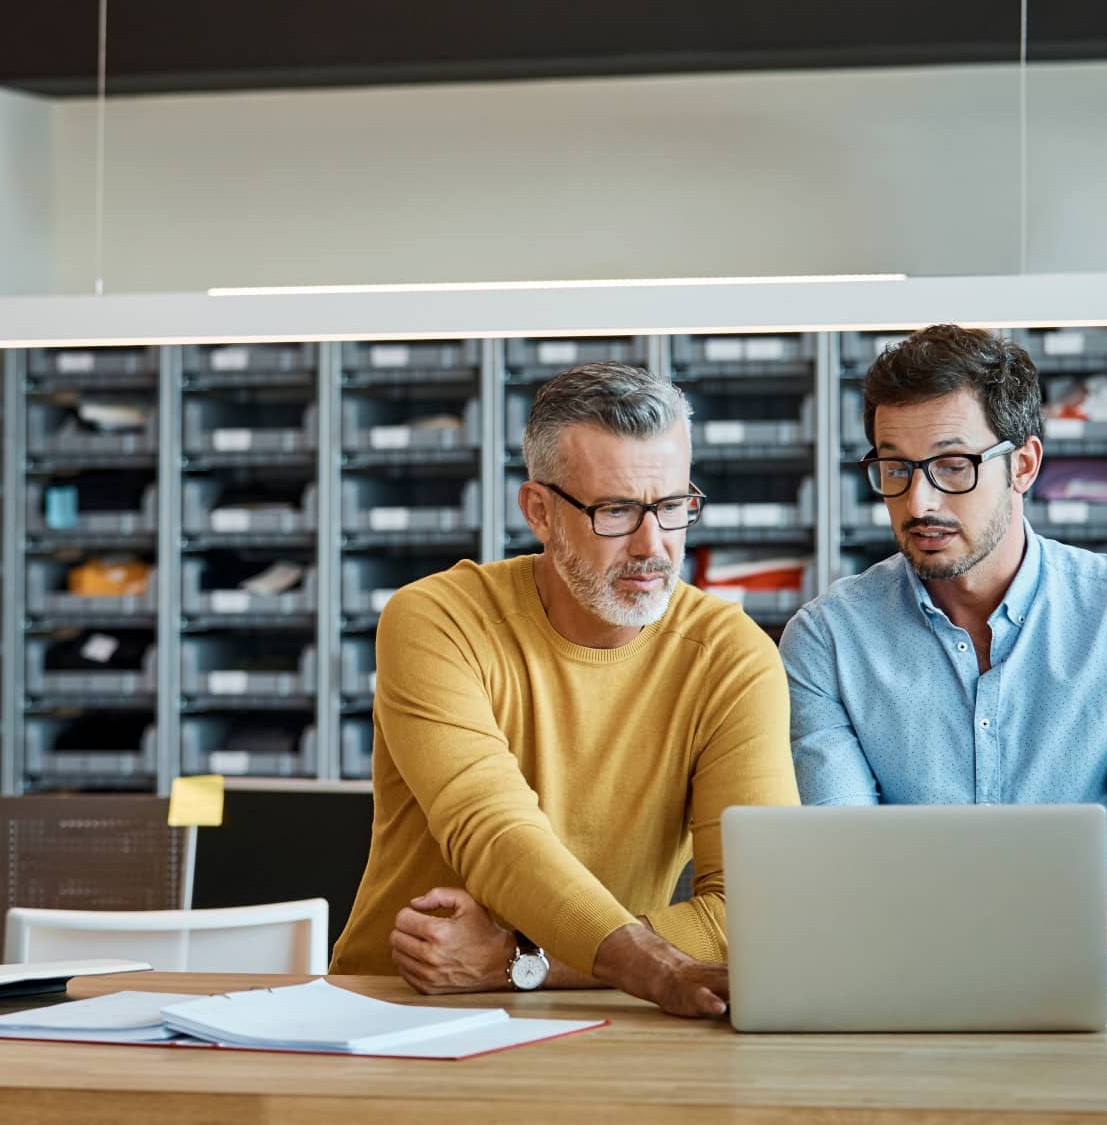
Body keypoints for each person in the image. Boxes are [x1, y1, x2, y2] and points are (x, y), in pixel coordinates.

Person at [328, 361, 799, 1017]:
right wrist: (651, 966)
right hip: (396, 1011)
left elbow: (750, 910)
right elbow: (496, 834)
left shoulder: (730, 654)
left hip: (609, 1017)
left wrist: (526, 964)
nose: (653, 545)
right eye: (616, 511)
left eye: (671, 507)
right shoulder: (438, 620)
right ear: (540, 512)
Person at [782, 324, 1107, 985]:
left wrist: (1061, 943)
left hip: (1105, 1005)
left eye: (953, 466)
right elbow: (844, 852)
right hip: (908, 1007)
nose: (919, 501)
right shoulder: (828, 639)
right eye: (895, 468)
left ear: (1025, 464)